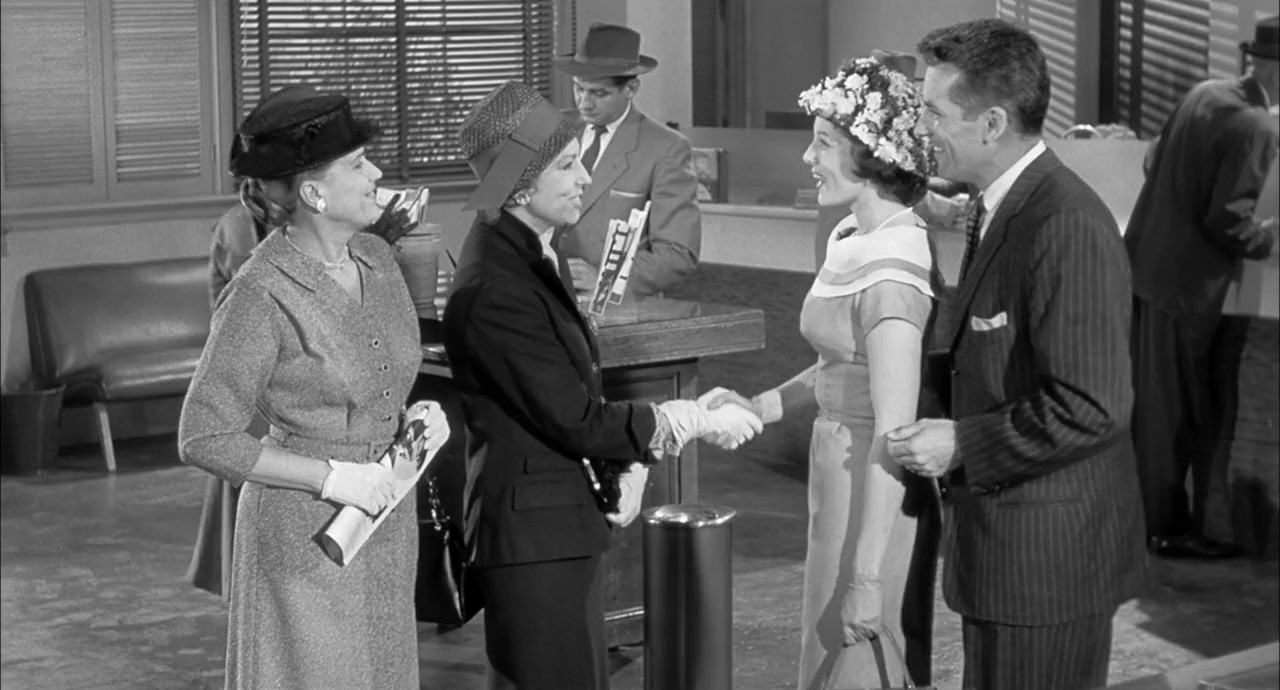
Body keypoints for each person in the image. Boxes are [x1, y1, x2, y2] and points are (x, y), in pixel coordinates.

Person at [444, 80, 761, 690]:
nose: (585, 179)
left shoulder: (537, 252)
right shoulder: (497, 288)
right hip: (533, 539)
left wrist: (628, 460)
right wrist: (680, 419)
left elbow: (569, 392)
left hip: (560, 525)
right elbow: (572, 417)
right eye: (567, 166)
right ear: (519, 186)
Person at [885, 19, 1146, 690]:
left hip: (1047, 569)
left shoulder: (1064, 224)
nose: (922, 129)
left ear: (993, 123)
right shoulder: (999, 207)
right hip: (1006, 560)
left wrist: (962, 442)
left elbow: (1092, 406)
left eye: (934, 112)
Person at [178, 86, 450, 688]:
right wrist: (330, 477)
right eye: (358, 163)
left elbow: (384, 378)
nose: (376, 175)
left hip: (384, 523)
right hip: (303, 535)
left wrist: (417, 419)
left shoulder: (377, 259)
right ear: (313, 193)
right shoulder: (260, 292)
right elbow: (203, 436)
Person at [708, 53, 941, 689]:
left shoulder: (894, 273)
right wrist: (763, 406)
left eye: (824, 143)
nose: (808, 157)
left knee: (854, 653)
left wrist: (867, 577)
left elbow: (894, 433)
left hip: (871, 480)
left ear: (872, 156)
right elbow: (837, 366)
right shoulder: (849, 237)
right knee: (822, 643)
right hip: (833, 465)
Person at [1125, 14, 1280, 560]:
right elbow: (1229, 221)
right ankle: (1168, 528)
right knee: (1177, 417)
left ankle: (1147, 521)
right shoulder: (1259, 127)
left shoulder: (1204, 93)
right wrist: (1269, 237)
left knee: (1153, 410)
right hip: (1187, 289)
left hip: (1145, 271)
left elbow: (1152, 159)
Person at [551, 22, 701, 300]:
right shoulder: (554, 130)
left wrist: (605, 279)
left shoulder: (667, 148)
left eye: (599, 93)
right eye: (579, 89)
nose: (584, 103)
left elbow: (678, 253)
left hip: (619, 306)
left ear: (631, 89)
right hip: (546, 298)